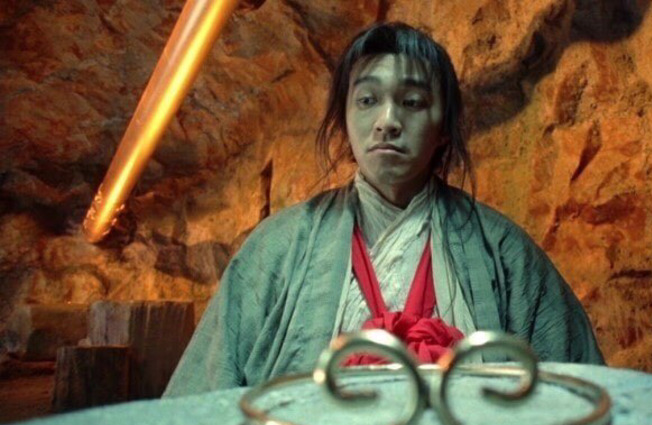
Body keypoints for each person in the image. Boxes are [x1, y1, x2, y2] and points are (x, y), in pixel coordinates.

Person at [163, 22, 603, 397]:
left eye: (412, 102)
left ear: (444, 128)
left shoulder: (503, 253)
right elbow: (199, 405)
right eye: (367, 100)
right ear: (344, 120)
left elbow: (580, 393)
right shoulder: (275, 250)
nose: (387, 121)